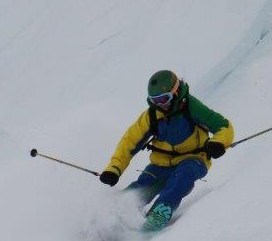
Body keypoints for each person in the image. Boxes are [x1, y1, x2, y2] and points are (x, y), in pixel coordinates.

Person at [99, 69, 234, 231]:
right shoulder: (152, 115)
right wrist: (114, 169)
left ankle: (159, 212)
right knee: (139, 190)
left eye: (164, 99)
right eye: (154, 101)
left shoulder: (192, 107)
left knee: (181, 177)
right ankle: (101, 230)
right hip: (160, 165)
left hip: (194, 159)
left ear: (176, 92)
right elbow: (129, 142)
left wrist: (218, 142)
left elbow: (224, 126)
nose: (160, 104)